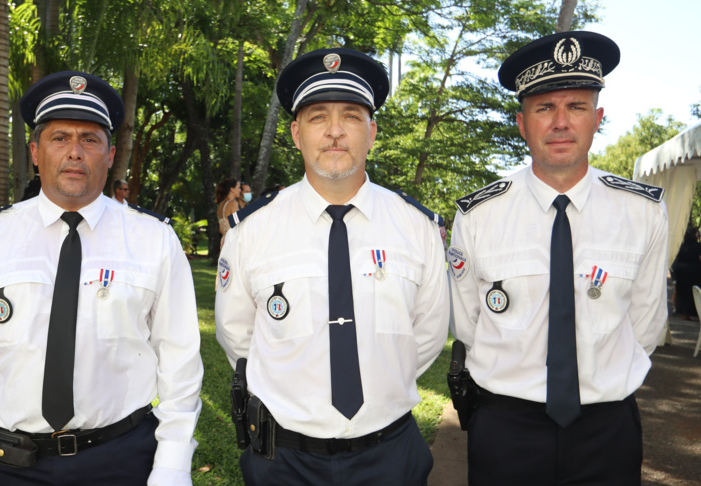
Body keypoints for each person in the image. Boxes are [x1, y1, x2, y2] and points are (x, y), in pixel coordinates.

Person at [0, 71, 203, 486]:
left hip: (122, 461)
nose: (75, 152)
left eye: (90, 139)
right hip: (6, 465)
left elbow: (180, 360)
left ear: (110, 155)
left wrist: (171, 466)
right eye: (60, 138)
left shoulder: (154, 240)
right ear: (36, 151)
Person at [215, 47, 449, 485]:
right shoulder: (252, 230)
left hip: (390, 456)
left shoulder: (416, 228)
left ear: (373, 131)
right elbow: (238, 338)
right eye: (319, 116)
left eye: (352, 116)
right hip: (283, 461)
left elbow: (428, 335)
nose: (336, 131)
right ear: (296, 133)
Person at [449, 31, 668, 486]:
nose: (561, 123)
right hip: (505, 430)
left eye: (577, 107)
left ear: (598, 118)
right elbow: (469, 324)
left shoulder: (643, 211)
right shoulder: (479, 214)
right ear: (522, 122)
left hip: (606, 432)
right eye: (544, 108)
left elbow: (645, 326)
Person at [672, 225, 701, 320]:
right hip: (695, 271)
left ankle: (683, 313)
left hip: (680, 270)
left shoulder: (679, 245)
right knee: (694, 291)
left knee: (681, 292)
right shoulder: (698, 246)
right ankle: (695, 312)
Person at [216, 177, 242, 247]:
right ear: (232, 189)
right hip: (233, 241)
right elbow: (239, 224)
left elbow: (220, 229)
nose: (240, 190)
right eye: (238, 187)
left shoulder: (221, 205)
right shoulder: (233, 203)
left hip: (224, 241)